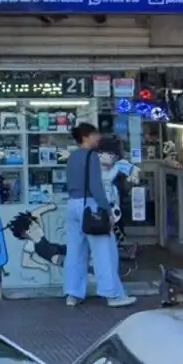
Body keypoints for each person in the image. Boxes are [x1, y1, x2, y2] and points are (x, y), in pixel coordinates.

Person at [63, 123, 136, 308]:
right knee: (104, 252)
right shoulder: (92, 157)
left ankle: (73, 294)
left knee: (75, 252)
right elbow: (96, 187)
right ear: (85, 137)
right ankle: (112, 295)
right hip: (91, 206)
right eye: (95, 134)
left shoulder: (72, 156)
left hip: (72, 205)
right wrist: (107, 210)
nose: (98, 138)